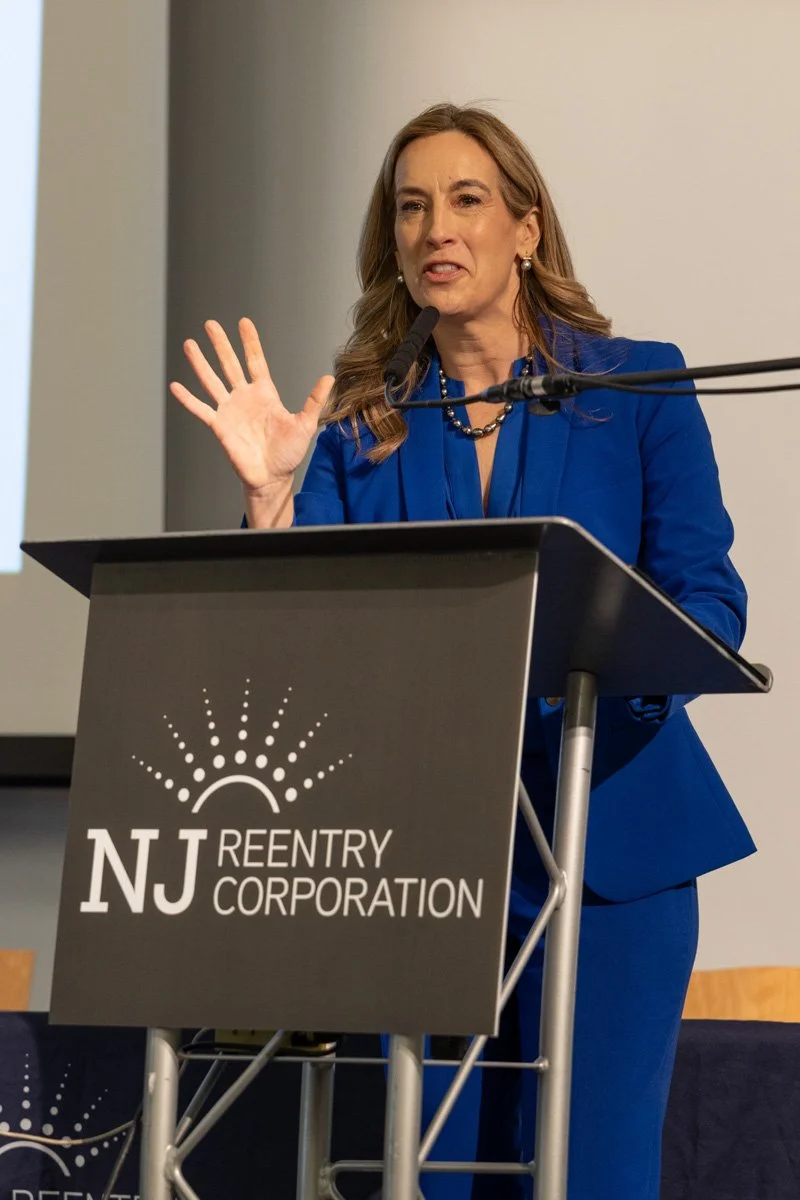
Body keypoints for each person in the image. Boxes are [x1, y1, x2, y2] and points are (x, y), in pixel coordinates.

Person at [170, 103, 755, 1200]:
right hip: (421, 866)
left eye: (466, 198)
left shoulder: (635, 388)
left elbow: (708, 601)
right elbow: (312, 642)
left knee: (592, 1172)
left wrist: (604, 659)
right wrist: (270, 501)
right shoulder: (355, 422)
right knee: (430, 1177)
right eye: (408, 206)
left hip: (608, 850)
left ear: (526, 228)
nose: (434, 225)